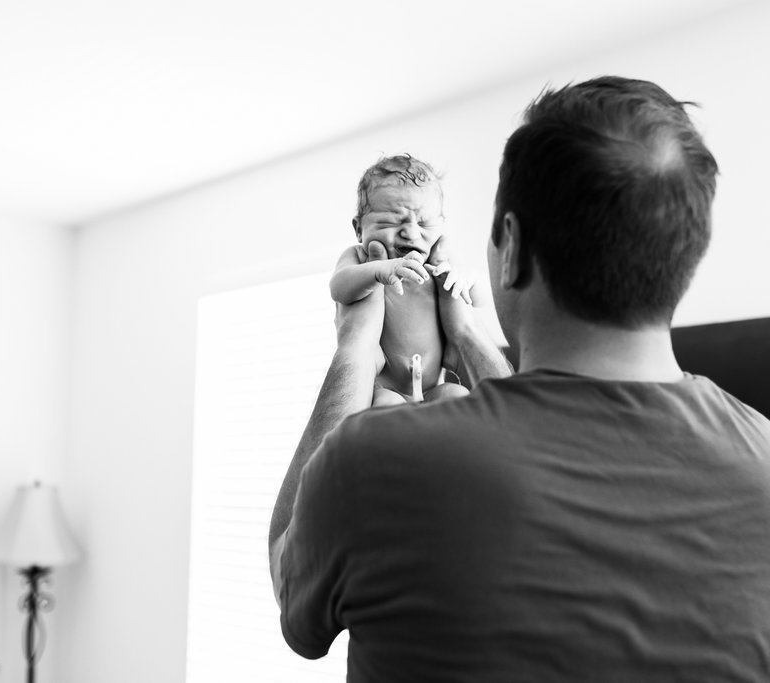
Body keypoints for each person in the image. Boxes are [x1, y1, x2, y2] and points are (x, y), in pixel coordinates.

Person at [269, 76, 770, 681]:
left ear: (510, 246)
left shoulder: (375, 459)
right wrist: (471, 335)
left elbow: (292, 588)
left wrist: (354, 350)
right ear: (688, 253)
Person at [330, 155, 483, 405]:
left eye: (425, 223)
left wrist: (467, 278)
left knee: (458, 397)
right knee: (386, 407)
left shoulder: (440, 260)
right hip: (384, 388)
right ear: (359, 228)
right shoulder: (360, 258)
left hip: (435, 386)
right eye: (392, 220)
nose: (411, 232)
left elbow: (481, 298)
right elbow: (339, 288)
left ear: (441, 224)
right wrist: (379, 270)